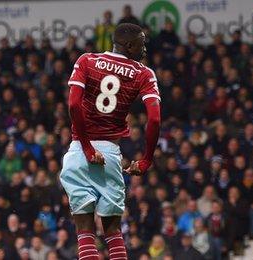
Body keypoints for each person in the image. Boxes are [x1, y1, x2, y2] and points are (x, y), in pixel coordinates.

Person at [59, 23, 161, 260]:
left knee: (84, 232)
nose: (145, 49)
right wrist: (146, 159)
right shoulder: (143, 73)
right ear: (129, 45)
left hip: (78, 152)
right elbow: (154, 120)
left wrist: (85, 146)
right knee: (113, 232)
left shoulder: (86, 60)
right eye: (141, 43)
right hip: (109, 155)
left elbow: (73, 104)